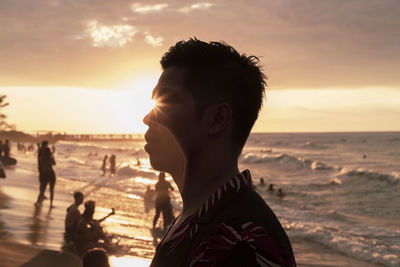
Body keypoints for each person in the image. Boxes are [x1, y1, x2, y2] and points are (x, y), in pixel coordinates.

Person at [143, 39, 296, 266]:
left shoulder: (243, 243)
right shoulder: (197, 217)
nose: (147, 118)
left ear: (217, 119)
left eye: (168, 101)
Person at [35, 140, 57, 207]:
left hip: (44, 174)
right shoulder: (50, 158)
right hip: (51, 174)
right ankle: (51, 204)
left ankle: (37, 202)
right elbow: (54, 163)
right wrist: (52, 154)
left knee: (42, 189)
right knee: (51, 190)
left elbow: (40, 164)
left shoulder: (40, 157)